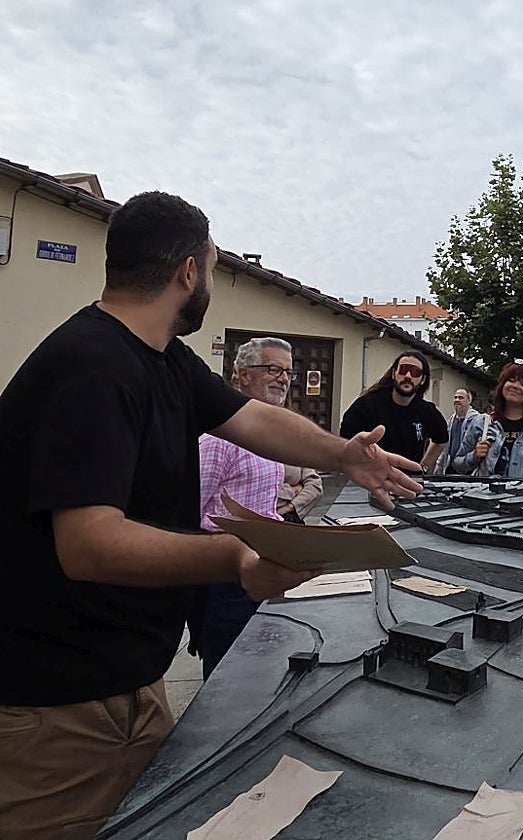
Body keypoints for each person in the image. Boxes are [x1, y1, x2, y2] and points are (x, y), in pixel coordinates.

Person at [0, 191, 422, 840]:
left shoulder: (162, 359)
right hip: (55, 712)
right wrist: (232, 557)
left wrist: (346, 454)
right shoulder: (92, 367)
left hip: (128, 686)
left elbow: (251, 419)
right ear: (188, 272)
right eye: (214, 265)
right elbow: (88, 544)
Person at [193, 337, 298, 678]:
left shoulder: (269, 438)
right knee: (225, 677)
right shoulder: (217, 440)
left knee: (260, 672)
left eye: (287, 371)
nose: (282, 378)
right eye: (272, 368)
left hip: (266, 569)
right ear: (241, 376)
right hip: (226, 580)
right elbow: (189, 515)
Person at [340, 351, 449, 472]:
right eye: (403, 369)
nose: (408, 376)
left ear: (422, 380)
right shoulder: (366, 405)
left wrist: (423, 467)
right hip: (372, 481)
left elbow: (442, 439)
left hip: (410, 482)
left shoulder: (426, 411)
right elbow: (346, 442)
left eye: (415, 372)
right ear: (393, 374)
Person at [437, 387, 481, 474]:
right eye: (455, 397)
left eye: (460, 397)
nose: (457, 400)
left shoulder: (477, 420)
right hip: (451, 467)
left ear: (469, 401)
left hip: (468, 470)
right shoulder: (451, 420)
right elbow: (445, 445)